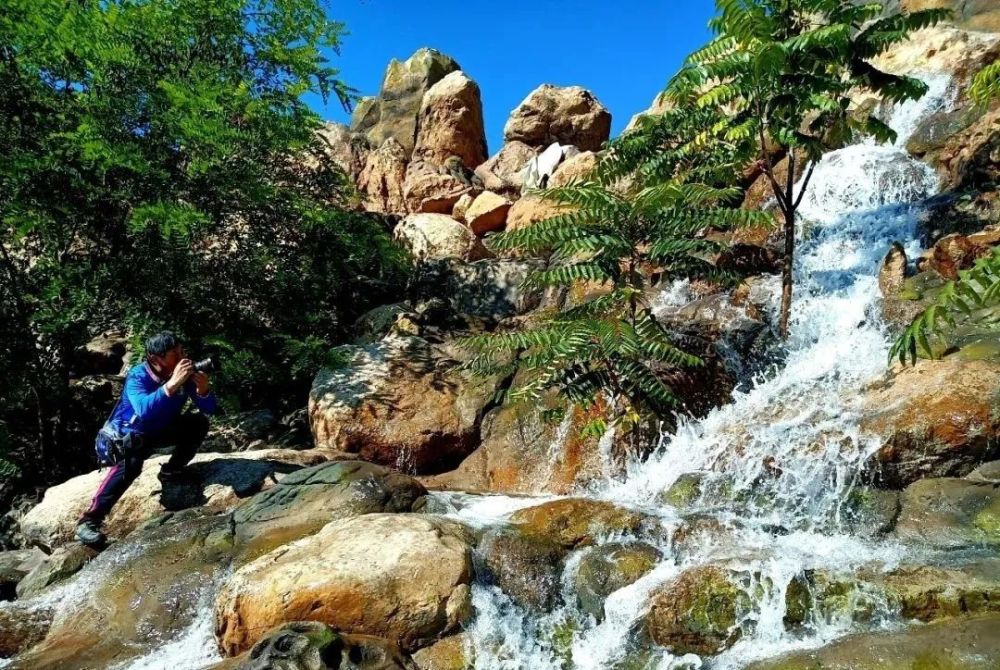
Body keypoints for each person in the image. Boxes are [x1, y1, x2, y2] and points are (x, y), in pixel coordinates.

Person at [75, 331, 217, 546]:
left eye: (182, 352)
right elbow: (144, 410)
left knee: (197, 423)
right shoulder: (138, 375)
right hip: (128, 438)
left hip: (160, 431)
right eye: (174, 354)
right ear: (155, 358)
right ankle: (89, 521)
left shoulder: (183, 375)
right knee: (130, 467)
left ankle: (172, 470)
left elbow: (210, 409)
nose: (182, 358)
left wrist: (203, 389)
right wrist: (171, 385)